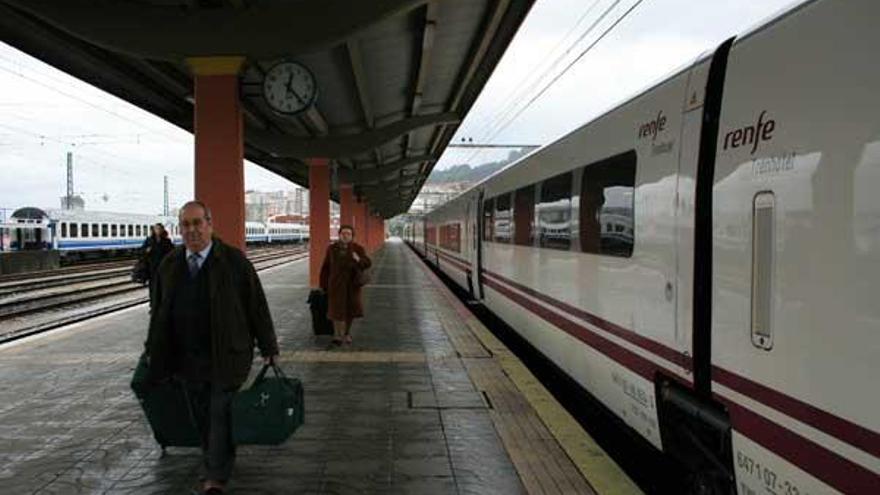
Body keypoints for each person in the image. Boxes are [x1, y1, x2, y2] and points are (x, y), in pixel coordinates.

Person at [144, 201, 279, 495]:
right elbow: (158, 311)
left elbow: (256, 305)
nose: (192, 230)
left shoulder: (233, 261)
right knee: (202, 414)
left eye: (197, 223)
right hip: (185, 358)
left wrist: (268, 345)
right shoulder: (170, 265)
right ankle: (217, 455)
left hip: (226, 353)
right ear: (180, 229)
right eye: (186, 225)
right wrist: (153, 349)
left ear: (210, 224)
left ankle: (215, 476)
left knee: (219, 411)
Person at [319, 225, 372, 345]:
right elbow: (326, 267)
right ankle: (337, 335)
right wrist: (323, 284)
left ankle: (346, 333)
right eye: (343, 233)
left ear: (352, 236)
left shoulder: (358, 249)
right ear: (339, 235)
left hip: (352, 285)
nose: (345, 235)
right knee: (335, 310)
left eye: (348, 234)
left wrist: (358, 259)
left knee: (350, 310)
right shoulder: (332, 249)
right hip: (336, 284)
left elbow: (367, 263)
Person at [141, 223, 174, 309]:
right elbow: (142, 252)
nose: (157, 230)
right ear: (154, 230)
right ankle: (153, 305)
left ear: (162, 230)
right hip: (152, 268)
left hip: (163, 269)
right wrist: (146, 251)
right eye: (156, 229)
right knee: (152, 287)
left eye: (159, 229)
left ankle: (161, 304)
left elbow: (172, 253)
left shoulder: (167, 241)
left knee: (162, 287)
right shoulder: (149, 240)